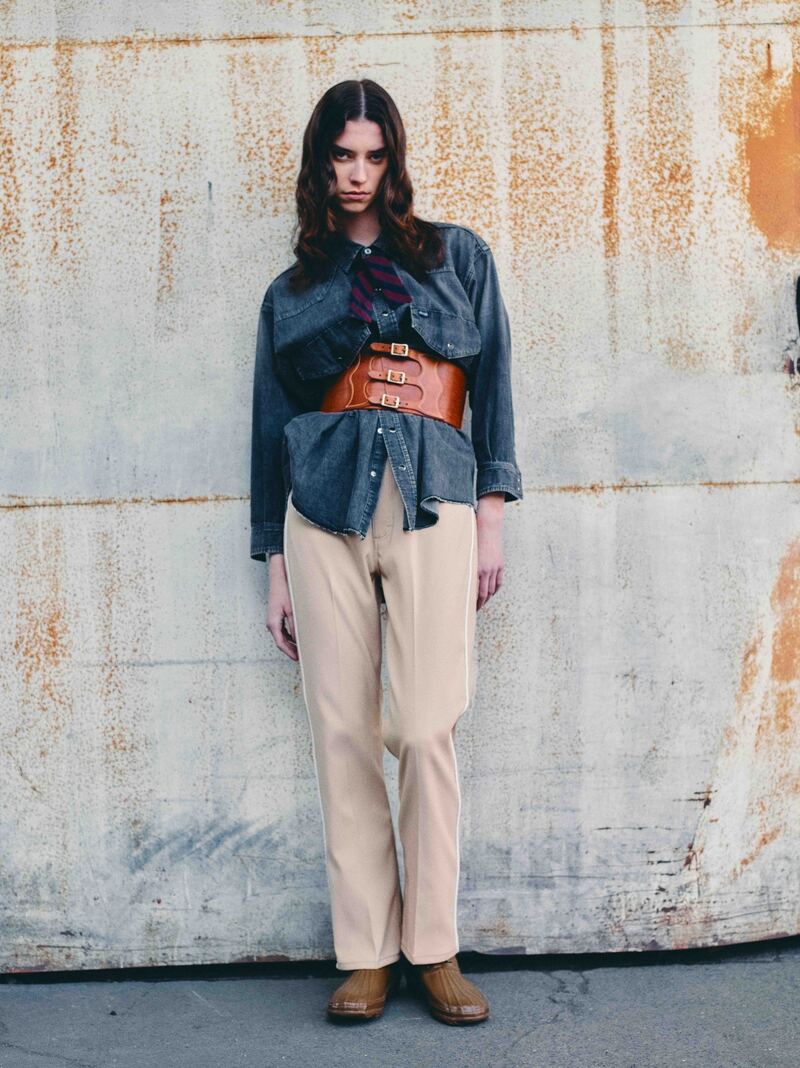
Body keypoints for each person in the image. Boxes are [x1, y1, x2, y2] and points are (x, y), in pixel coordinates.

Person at [249, 79, 523, 1025]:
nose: (357, 174)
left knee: (426, 726)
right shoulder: (292, 290)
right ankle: (366, 951)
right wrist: (275, 566)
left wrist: (491, 515)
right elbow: (269, 427)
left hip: (434, 502)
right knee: (343, 731)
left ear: (394, 160)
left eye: (372, 155)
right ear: (320, 164)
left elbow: (493, 383)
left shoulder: (456, 257)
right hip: (321, 513)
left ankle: (433, 945)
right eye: (341, 156)